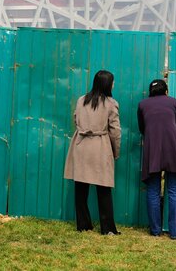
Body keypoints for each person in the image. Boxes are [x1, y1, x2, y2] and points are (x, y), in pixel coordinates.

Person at [64, 70, 121, 235]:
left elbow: (76, 120)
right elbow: (115, 132)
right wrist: (115, 152)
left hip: (81, 145)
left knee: (80, 188)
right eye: (112, 82)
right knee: (103, 188)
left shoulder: (81, 100)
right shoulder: (111, 103)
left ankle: (83, 225)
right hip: (100, 146)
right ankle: (108, 228)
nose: (114, 84)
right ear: (107, 84)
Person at [137, 79, 176, 240]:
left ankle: (155, 231)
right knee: (174, 190)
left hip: (152, 149)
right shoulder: (174, 102)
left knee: (153, 190)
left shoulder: (142, 105)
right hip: (173, 148)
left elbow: (143, 128)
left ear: (150, 92)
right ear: (166, 91)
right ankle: (174, 233)